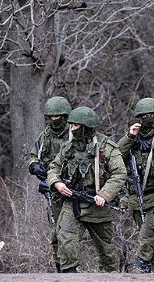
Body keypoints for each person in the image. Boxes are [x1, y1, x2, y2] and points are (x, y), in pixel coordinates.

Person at [47, 106, 127, 273]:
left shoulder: (107, 146)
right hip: (73, 201)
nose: (71, 128)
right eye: (71, 125)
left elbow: (120, 173)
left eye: (75, 125)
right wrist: (57, 183)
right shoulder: (68, 147)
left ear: (86, 127)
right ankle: (69, 273)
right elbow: (54, 167)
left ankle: (111, 276)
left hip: (98, 204)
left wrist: (104, 195)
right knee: (65, 237)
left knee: (107, 251)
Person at [117, 97, 154, 273]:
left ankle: (140, 267)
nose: (147, 118)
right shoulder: (134, 136)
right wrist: (130, 137)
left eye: (151, 115)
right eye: (143, 115)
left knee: (146, 235)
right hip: (137, 196)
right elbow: (116, 155)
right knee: (151, 237)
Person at [28, 96, 71, 273]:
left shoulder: (74, 134)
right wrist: (34, 166)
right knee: (55, 233)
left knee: (68, 232)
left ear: (65, 116)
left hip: (71, 189)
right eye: (51, 117)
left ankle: (71, 267)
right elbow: (33, 156)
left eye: (58, 117)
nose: (55, 120)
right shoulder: (44, 136)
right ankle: (60, 268)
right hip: (51, 191)